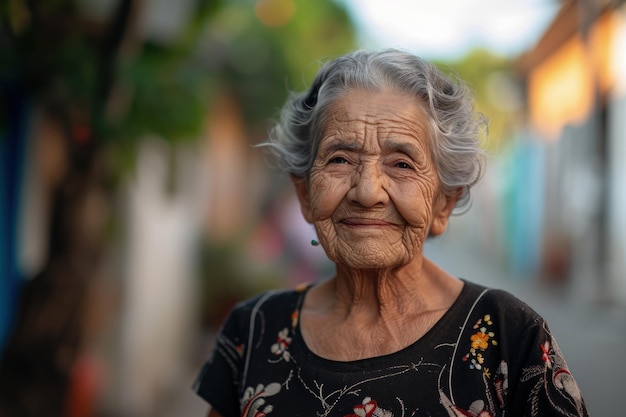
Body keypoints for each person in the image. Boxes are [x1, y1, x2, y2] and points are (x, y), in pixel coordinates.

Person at [193, 49, 589, 417]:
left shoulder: (508, 335)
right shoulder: (254, 330)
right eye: (340, 158)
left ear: (443, 203)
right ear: (305, 195)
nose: (367, 192)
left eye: (401, 164)